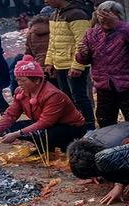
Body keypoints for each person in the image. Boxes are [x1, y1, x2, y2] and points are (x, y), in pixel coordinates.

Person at [0, 55, 86, 153]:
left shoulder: (53, 95)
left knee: (39, 133)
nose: (19, 84)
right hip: (48, 124)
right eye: (17, 80)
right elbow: (11, 114)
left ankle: (61, 146)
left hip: (70, 128)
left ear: (37, 81)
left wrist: (17, 134)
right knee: (11, 127)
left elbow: (45, 122)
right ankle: (43, 148)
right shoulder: (21, 92)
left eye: (23, 80)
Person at [75, 1, 129, 128]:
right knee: (105, 121)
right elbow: (82, 59)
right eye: (102, 16)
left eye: (109, 16)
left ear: (118, 16)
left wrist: (117, 24)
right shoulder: (91, 33)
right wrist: (83, 53)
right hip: (104, 85)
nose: (105, 20)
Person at [44, 0, 95, 130]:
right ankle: (74, 126)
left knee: (80, 98)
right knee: (66, 99)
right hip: (59, 64)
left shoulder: (77, 14)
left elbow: (83, 42)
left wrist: (77, 65)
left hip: (73, 65)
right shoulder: (54, 15)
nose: (45, 1)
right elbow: (52, 41)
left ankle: (89, 127)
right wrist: (49, 62)